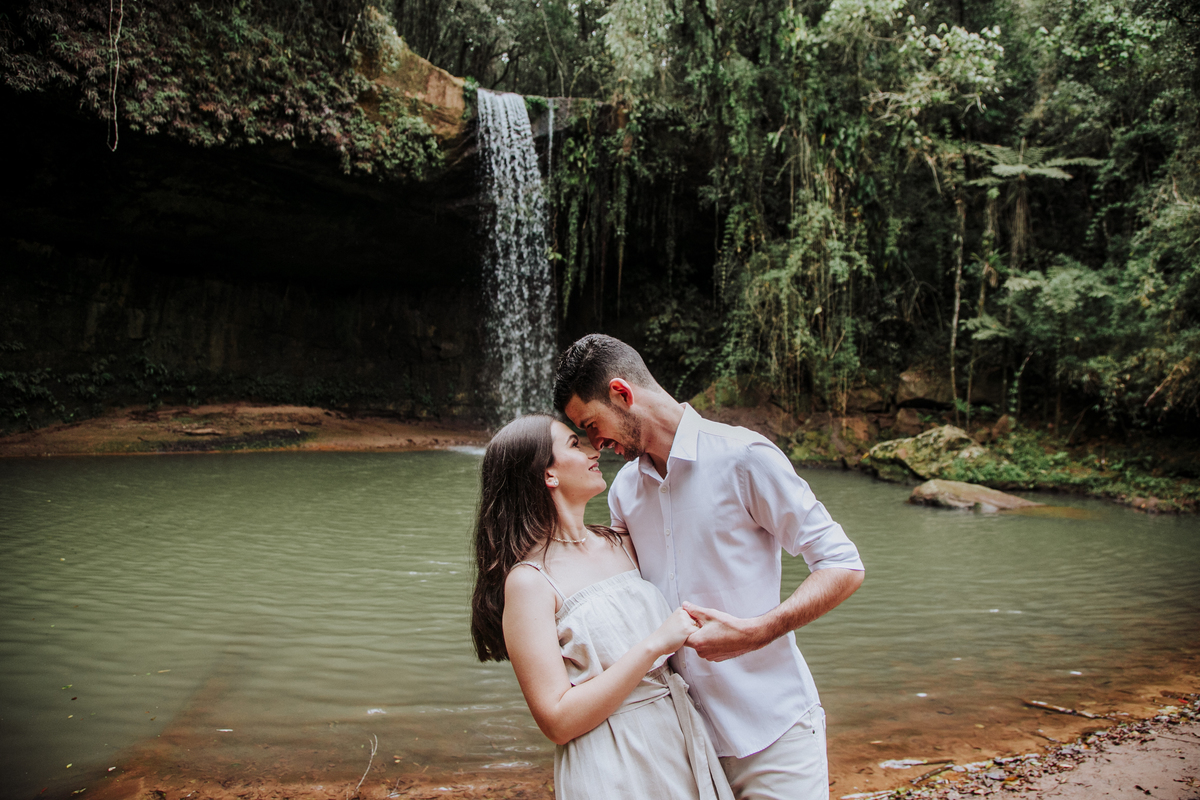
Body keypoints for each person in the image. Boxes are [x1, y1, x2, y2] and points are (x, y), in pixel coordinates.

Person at [554, 334, 866, 800]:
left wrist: (759, 630)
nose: (595, 444)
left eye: (592, 425)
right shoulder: (623, 493)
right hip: (680, 743)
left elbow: (843, 563)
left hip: (774, 732)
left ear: (621, 393)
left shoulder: (745, 458)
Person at [470, 414, 735, 800]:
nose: (594, 451)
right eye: (574, 445)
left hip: (677, 735)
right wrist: (654, 646)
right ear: (548, 475)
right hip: (611, 758)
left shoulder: (621, 542)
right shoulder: (529, 582)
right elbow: (557, 721)